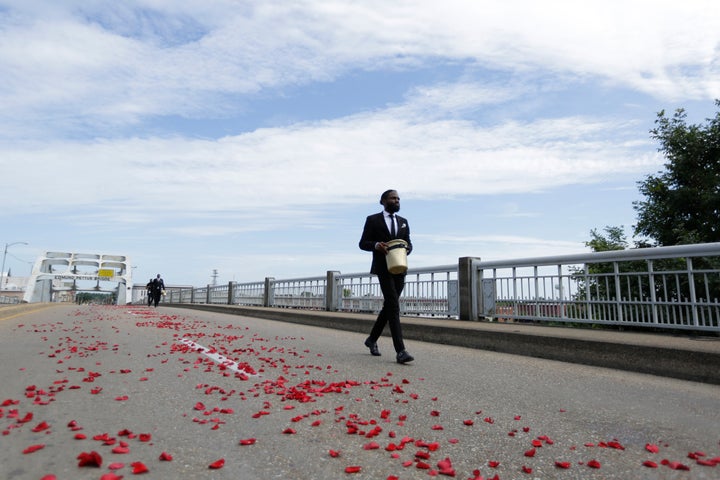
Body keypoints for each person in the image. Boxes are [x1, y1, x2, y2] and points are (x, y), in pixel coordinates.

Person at [359, 189, 414, 364]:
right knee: (394, 306)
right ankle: (401, 351)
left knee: (389, 307)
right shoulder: (373, 220)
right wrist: (376, 245)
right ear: (383, 201)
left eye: (398, 198)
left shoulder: (403, 222)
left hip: (400, 268)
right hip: (383, 268)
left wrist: (406, 248)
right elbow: (363, 243)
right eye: (393, 198)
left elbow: (410, 244)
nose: (396, 201)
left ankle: (371, 339)